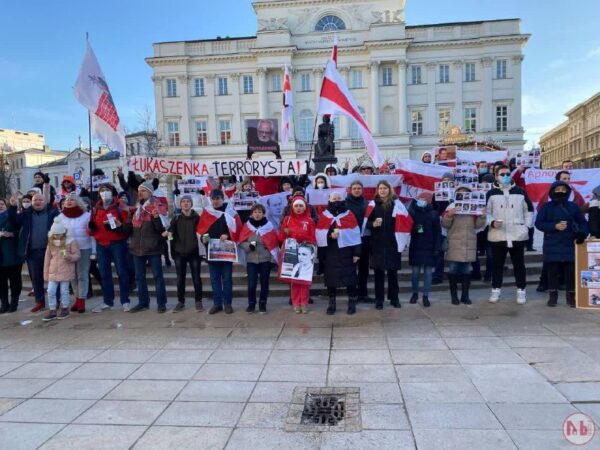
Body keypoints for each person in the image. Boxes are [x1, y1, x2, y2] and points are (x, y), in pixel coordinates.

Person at [535, 181, 589, 307]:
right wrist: (554, 226)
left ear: (568, 191)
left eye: (563, 189)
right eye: (557, 189)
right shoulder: (546, 206)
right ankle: (553, 296)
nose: (560, 191)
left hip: (569, 242)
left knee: (570, 272)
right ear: (552, 191)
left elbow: (583, 223)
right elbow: (539, 223)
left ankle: (571, 297)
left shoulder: (573, 206)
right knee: (552, 271)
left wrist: (582, 233)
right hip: (552, 243)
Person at [486, 165, 534, 304]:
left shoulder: (520, 191)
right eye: (502, 174)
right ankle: (495, 290)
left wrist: (526, 226)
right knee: (497, 265)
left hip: (517, 234)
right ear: (496, 176)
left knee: (519, 265)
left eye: (507, 173)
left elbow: (529, 211)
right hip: (498, 235)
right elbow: (486, 212)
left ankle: (521, 291)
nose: (505, 176)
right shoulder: (491, 193)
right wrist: (491, 222)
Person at [364, 180, 412, 310]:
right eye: (380, 188)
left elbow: (406, 220)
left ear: (389, 190)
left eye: (385, 188)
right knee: (378, 274)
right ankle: (379, 300)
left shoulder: (397, 204)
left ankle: (394, 298)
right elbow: (365, 223)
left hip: (392, 243)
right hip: (377, 244)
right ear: (377, 190)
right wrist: (373, 224)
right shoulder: (373, 205)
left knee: (392, 273)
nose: (383, 190)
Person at [8, 192, 59, 312]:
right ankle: (39, 301)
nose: (38, 202)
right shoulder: (26, 214)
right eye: (35, 200)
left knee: (54, 276)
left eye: (40, 200)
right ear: (32, 202)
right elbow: (13, 222)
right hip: (33, 252)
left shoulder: (52, 212)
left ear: (45, 201)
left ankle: (56, 301)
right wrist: (12, 206)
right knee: (36, 278)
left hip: (51, 251)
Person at [89, 184, 132, 312]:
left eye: (107, 190)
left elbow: (126, 227)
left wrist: (117, 227)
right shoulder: (95, 208)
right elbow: (91, 231)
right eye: (102, 190)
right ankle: (108, 301)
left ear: (112, 192)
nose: (104, 192)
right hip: (101, 245)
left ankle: (125, 300)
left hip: (117, 244)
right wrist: (91, 227)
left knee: (122, 273)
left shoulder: (120, 206)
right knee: (104, 274)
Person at [197, 189, 241, 315]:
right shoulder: (206, 212)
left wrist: (227, 235)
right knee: (214, 279)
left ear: (223, 199)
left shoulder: (231, 213)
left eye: (218, 198)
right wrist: (203, 238)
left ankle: (227, 304)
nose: (215, 201)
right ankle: (217, 304)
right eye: (213, 198)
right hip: (212, 252)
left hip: (226, 253)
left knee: (227, 279)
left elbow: (237, 230)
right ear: (210, 199)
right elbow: (201, 231)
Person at [317, 192, 361, 315]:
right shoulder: (324, 215)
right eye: (334, 198)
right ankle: (332, 303)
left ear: (343, 200)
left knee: (350, 279)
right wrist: (330, 235)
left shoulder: (349, 214)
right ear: (330, 200)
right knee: (331, 279)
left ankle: (352, 301)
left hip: (347, 251)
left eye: (338, 198)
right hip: (331, 252)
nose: (336, 200)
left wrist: (357, 253)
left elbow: (356, 234)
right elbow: (319, 234)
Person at [441, 187, 487, 305]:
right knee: (453, 270)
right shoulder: (451, 207)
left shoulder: (474, 207)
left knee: (467, 270)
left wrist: (482, 216)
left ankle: (465, 296)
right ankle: (454, 296)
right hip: (455, 242)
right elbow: (445, 225)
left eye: (466, 194)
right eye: (460, 194)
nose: (464, 196)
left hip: (469, 242)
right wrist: (450, 215)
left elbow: (478, 226)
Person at [129, 182, 168, 313]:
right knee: (140, 277)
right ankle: (143, 302)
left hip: (153, 247)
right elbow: (131, 228)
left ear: (150, 193)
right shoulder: (136, 208)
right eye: (139, 191)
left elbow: (162, 229)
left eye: (143, 191)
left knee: (158, 276)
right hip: (137, 248)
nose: (140, 193)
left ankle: (161, 303)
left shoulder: (158, 205)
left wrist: (156, 218)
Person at [278, 195, 316, 313]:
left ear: (305, 208)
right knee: (294, 280)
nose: (298, 208)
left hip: (304, 252)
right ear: (292, 208)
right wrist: (287, 236)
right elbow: (281, 237)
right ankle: (296, 303)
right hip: (292, 252)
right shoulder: (287, 220)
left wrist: (301, 237)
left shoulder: (309, 221)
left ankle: (304, 303)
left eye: (301, 206)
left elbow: (313, 238)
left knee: (304, 280)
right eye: (296, 206)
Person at [166, 194, 203, 313]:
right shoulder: (176, 219)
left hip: (194, 253)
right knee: (180, 278)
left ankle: (198, 301)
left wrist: (203, 246)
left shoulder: (198, 218)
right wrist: (173, 249)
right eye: (183, 201)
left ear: (191, 204)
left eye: (188, 201)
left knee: (196, 278)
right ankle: (180, 302)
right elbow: (171, 235)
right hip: (179, 253)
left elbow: (203, 234)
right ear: (180, 204)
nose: (186, 203)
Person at [56, 194, 92, 314]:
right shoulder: (60, 217)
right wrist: (61, 251)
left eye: (72, 200)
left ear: (78, 202)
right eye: (67, 200)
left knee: (82, 275)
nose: (69, 202)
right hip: (67, 249)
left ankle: (82, 300)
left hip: (84, 248)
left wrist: (94, 251)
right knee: (72, 275)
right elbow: (57, 234)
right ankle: (77, 298)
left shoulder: (87, 215)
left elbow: (92, 232)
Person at [239, 204, 277, 314]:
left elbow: (274, 244)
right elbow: (241, 242)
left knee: (264, 283)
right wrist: (249, 246)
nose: (257, 214)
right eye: (255, 212)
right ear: (251, 214)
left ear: (263, 214)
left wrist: (272, 260)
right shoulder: (247, 226)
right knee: (251, 284)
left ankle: (262, 304)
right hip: (251, 260)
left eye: (259, 212)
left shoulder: (269, 226)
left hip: (265, 259)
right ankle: (251, 304)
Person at [42, 219, 81, 321]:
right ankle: (52, 310)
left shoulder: (71, 241)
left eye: (59, 234)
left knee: (64, 290)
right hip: (53, 270)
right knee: (50, 290)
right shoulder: (50, 242)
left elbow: (77, 255)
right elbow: (47, 258)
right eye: (55, 234)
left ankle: (65, 308)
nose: (57, 236)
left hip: (66, 270)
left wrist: (69, 256)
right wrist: (46, 273)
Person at [407, 191, 440, 307]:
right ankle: (414, 293)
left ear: (429, 201)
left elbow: (437, 232)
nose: (422, 201)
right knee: (415, 273)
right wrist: (414, 229)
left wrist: (437, 248)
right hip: (416, 246)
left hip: (430, 246)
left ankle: (425, 295)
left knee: (428, 273)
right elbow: (407, 227)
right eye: (420, 198)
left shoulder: (434, 214)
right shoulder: (412, 211)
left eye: (424, 199)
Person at [346, 180, 372, 303]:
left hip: (364, 240)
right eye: (355, 188)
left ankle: (363, 293)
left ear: (362, 190)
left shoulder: (366, 203)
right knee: (351, 269)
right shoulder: (345, 204)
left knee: (364, 268)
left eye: (359, 188)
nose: (357, 190)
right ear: (350, 190)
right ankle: (352, 294)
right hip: (350, 241)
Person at [0, 199, 23, 314]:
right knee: (1, 283)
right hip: (1, 257)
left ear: (6, 205)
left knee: (15, 281)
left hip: (12, 254)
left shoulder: (12, 216)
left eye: (2, 204)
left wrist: (12, 234)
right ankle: (4, 303)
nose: (0, 206)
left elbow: (21, 230)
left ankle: (14, 302)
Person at [432, 172, 455, 284]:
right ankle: (438, 275)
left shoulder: (457, 193)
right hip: (440, 226)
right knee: (439, 252)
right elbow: (433, 208)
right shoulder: (436, 194)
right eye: (444, 180)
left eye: (449, 180)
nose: (446, 182)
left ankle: (455, 275)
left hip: (455, 226)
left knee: (455, 251)